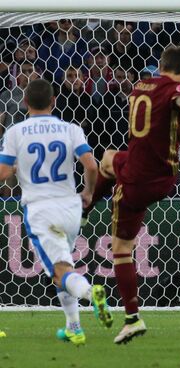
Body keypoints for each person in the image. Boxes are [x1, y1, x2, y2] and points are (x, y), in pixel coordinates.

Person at [82, 46, 180, 344]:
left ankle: (133, 318)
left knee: (121, 250)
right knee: (109, 159)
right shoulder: (176, 88)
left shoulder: (140, 87)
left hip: (139, 180)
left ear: (161, 66)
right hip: (160, 176)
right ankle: (84, 206)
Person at [0, 79, 112, 346]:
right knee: (63, 266)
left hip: (41, 211)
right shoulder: (70, 129)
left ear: (25, 103)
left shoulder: (16, 132)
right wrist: (87, 193)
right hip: (71, 208)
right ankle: (74, 328)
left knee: (61, 272)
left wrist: (17, 168)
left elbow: (3, 173)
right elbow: (92, 166)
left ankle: (90, 292)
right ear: (54, 102)